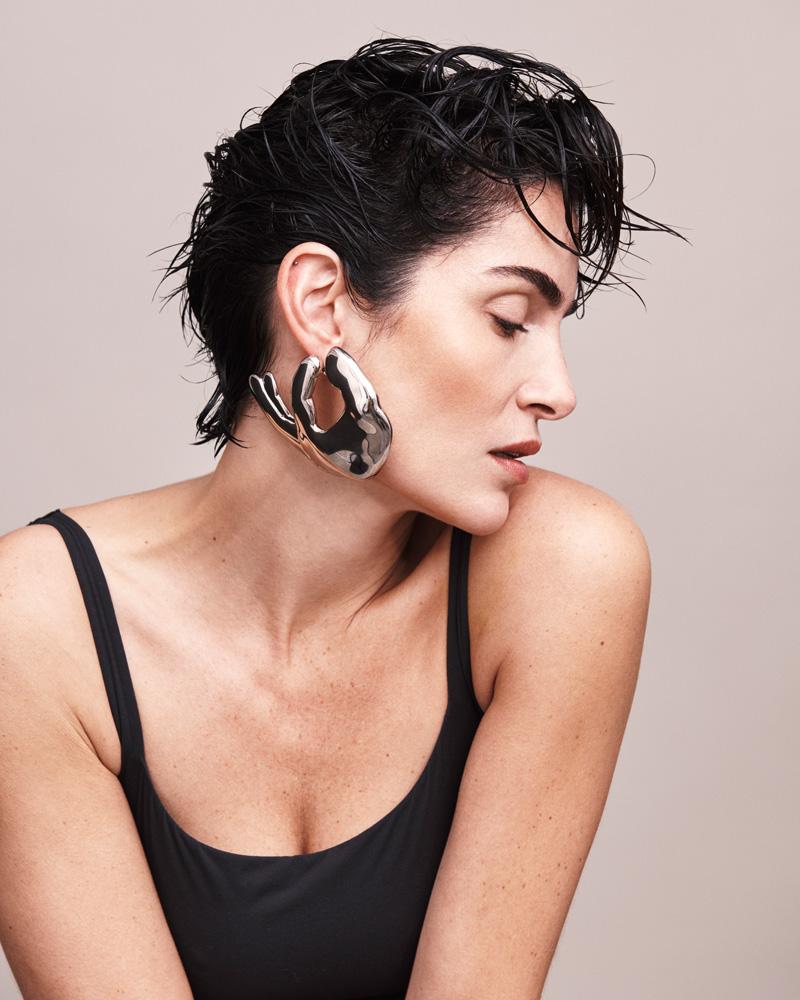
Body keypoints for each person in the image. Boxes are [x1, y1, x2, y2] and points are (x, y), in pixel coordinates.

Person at [0, 37, 683, 1000]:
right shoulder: (33, 629)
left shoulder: (559, 569)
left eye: (557, 325)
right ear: (322, 302)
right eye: (508, 319)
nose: (558, 391)